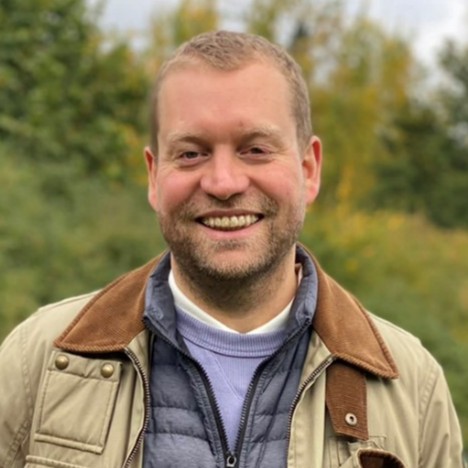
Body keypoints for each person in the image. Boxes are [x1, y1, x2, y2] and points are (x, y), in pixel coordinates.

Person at [0, 30, 464, 468]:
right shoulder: (36, 363)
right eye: (191, 153)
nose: (223, 183)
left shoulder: (413, 389)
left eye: (255, 149)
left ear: (309, 170)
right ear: (154, 176)